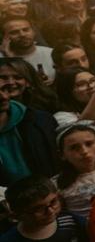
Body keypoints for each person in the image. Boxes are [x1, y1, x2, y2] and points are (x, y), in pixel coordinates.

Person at [0, 58, 59, 186]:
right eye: (3, 77)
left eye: (17, 77)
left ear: (28, 81)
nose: (10, 82)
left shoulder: (42, 117)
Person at [54, 121, 95, 219]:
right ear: (62, 154)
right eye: (74, 147)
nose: (84, 151)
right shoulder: (57, 184)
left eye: (89, 144)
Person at [2, 16, 56, 81]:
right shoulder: (2, 58)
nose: (22, 34)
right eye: (14, 32)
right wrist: (9, 58)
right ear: (5, 37)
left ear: (33, 32)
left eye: (25, 30)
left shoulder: (51, 53)